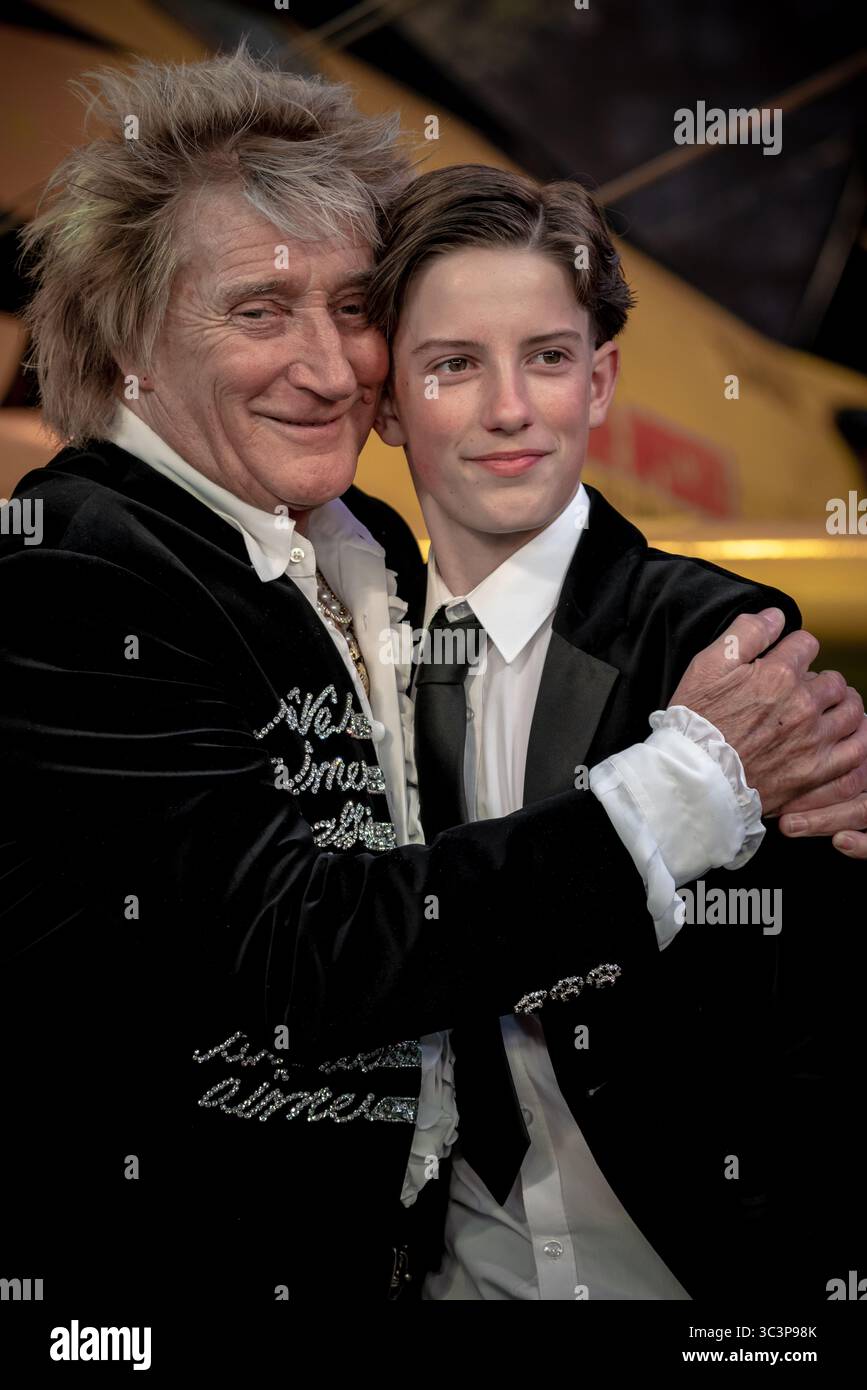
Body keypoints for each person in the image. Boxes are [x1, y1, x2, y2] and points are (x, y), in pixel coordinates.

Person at [1, 49, 863, 1308]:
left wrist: (821, 749)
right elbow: (299, 951)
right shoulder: (80, 560)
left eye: (353, 310)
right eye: (257, 312)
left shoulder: (362, 560)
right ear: (130, 340)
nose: (328, 367)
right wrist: (692, 781)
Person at [367, 163, 867, 1299]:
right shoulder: (357, 636)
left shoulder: (725, 642)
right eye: (454, 365)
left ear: (600, 383)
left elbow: (825, 1043)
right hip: (456, 1271)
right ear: (388, 401)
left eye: (548, 358)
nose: (509, 408)